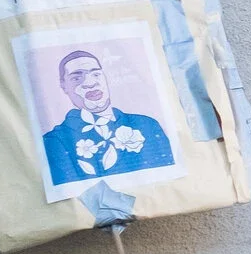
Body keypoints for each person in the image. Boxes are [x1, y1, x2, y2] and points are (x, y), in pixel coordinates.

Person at [41, 49, 175, 187]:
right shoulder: (54, 140)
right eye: (76, 78)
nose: (90, 83)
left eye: (96, 74)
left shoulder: (146, 124)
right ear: (64, 87)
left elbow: (172, 177)